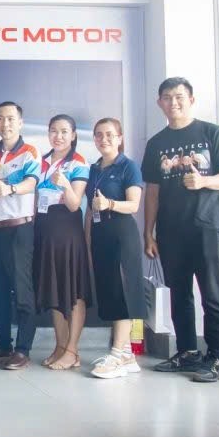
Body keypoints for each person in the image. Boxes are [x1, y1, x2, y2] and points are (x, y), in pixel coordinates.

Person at [143, 77, 219, 383]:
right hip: (171, 231)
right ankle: (187, 352)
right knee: (179, 294)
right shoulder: (156, 143)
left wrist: (204, 181)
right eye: (167, 97)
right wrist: (148, 232)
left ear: (191, 99)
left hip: (206, 227)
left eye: (179, 97)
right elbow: (153, 192)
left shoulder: (211, 133)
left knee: (212, 295)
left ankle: (215, 358)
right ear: (159, 103)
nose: (173, 102)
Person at [0, 101, 40, 371]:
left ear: (20, 122)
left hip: (19, 230)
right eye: (1, 118)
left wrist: (12, 189)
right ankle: (2, 344)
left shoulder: (29, 152)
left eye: (11, 119)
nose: (5, 124)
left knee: (22, 292)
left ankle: (23, 349)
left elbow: (32, 183)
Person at [86, 118, 146, 379]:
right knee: (110, 292)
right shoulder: (94, 169)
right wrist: (88, 242)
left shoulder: (128, 166)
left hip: (122, 235)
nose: (104, 139)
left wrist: (109, 204)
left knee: (123, 293)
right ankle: (127, 355)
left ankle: (117, 354)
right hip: (101, 236)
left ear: (120, 138)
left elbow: (134, 205)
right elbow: (90, 210)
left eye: (110, 134)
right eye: (99, 135)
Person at [33, 114, 91, 371]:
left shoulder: (78, 162)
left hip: (67, 231)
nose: (58, 136)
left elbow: (75, 204)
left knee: (73, 291)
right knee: (54, 290)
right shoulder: (41, 161)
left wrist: (66, 185)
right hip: (44, 230)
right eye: (54, 131)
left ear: (73, 135)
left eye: (64, 131)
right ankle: (59, 345)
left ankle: (72, 350)